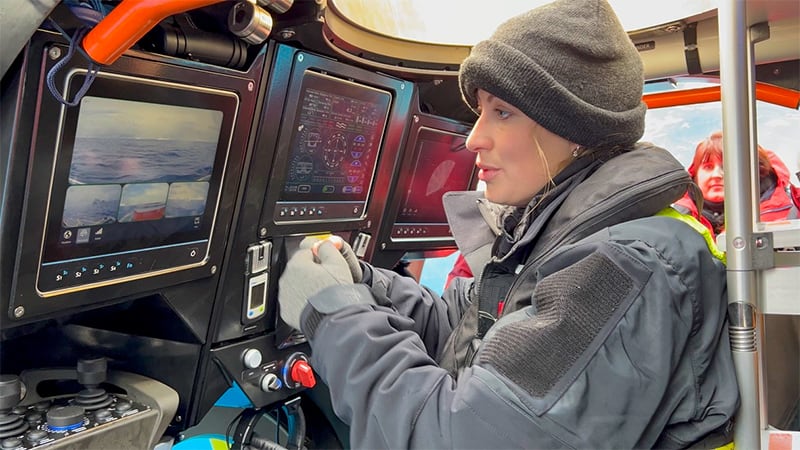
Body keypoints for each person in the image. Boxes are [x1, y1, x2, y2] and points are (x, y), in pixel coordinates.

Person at [277, 1, 740, 448]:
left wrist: (335, 314)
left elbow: (458, 441)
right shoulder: (559, 235)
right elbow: (469, 330)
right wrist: (367, 283)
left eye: (502, 112)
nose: (474, 138)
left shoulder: (622, 267)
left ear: (573, 128)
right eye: (480, 111)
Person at [674, 130, 800, 237]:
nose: (717, 175)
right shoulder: (673, 220)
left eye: (727, 166)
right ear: (695, 175)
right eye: (708, 167)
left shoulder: (794, 210)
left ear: (753, 173)